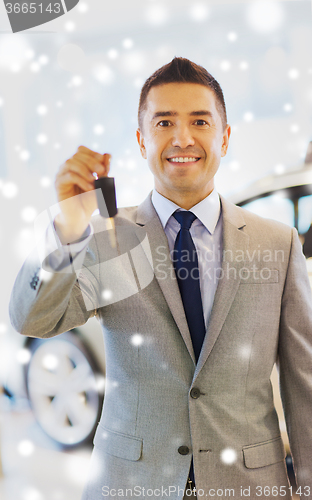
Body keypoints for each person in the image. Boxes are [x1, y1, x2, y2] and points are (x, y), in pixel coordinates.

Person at [9, 58, 312, 500]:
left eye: (200, 121)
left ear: (224, 138)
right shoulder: (108, 237)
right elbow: (31, 321)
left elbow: (304, 387)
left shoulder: (278, 244)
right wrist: (68, 229)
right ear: (141, 139)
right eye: (164, 121)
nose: (182, 138)